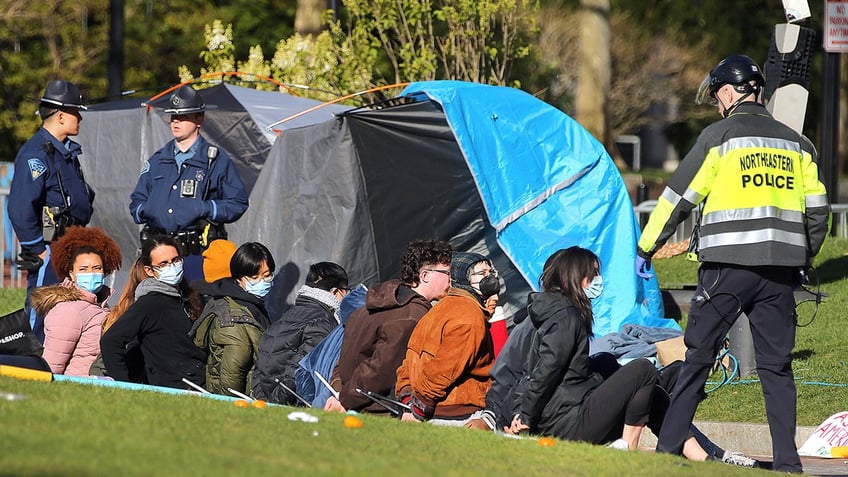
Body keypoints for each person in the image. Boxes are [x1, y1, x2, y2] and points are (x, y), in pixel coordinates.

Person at [636, 54, 830, 473]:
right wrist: (803, 256)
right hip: (780, 274)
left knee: (697, 359)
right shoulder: (798, 145)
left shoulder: (719, 137)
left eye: (717, 96)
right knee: (777, 370)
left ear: (727, 93)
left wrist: (646, 248)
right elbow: (819, 212)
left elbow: (677, 199)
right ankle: (789, 464)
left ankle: (667, 455)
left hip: (725, 270)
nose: (717, 104)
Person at [129, 85, 249, 282]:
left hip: (196, 254)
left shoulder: (216, 160)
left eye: (183, 116)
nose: (176, 121)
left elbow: (238, 202)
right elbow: (136, 202)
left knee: (197, 307)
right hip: (159, 256)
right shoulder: (157, 160)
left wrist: (206, 208)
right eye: (173, 116)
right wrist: (148, 209)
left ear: (199, 120)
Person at [325, 239, 453, 414]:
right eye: (446, 272)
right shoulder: (412, 316)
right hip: (377, 411)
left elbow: (344, 361)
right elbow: (380, 370)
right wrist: (344, 399)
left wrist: (339, 391)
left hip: (353, 401)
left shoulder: (371, 305)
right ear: (424, 276)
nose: (451, 278)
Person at [9, 80, 94, 342]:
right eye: (75, 112)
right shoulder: (36, 154)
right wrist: (39, 250)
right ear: (60, 116)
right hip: (50, 246)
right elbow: (20, 207)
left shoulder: (65, 152)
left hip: (70, 244)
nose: (79, 117)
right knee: (42, 309)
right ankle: (33, 359)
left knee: (67, 311)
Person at [395, 251, 500, 425]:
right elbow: (445, 367)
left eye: (491, 273)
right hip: (455, 414)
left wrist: (407, 394)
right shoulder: (469, 316)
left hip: (431, 408)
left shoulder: (438, 308)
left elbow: (410, 361)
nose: (490, 278)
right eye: (481, 274)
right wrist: (420, 405)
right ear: (463, 279)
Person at [100, 235, 206, 389]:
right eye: (163, 264)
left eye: (175, 260)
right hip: (176, 388)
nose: (172, 267)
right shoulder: (150, 302)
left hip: (197, 383)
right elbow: (111, 340)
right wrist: (125, 386)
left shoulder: (184, 297)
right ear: (149, 270)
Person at [251, 262, 349, 404]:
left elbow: (260, 366)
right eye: (347, 290)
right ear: (335, 292)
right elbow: (298, 371)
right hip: (289, 404)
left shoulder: (287, 316)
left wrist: (262, 399)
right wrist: (274, 404)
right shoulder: (322, 322)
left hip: (267, 397)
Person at [29, 226, 120, 376]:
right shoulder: (68, 310)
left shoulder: (101, 304)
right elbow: (52, 366)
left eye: (97, 268)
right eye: (83, 269)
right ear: (71, 273)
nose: (91, 273)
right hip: (79, 387)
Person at [191, 242, 275, 395]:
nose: (262, 282)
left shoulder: (251, 304)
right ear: (238, 279)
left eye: (267, 275)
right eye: (254, 277)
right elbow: (232, 377)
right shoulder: (233, 318)